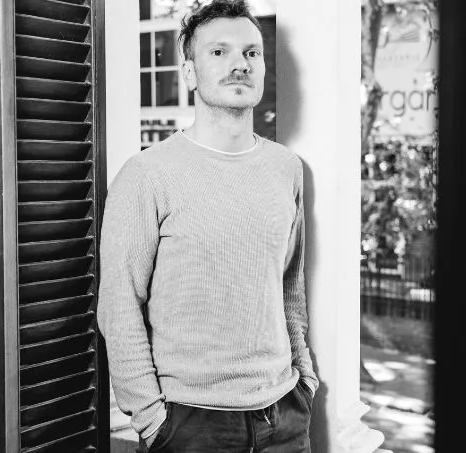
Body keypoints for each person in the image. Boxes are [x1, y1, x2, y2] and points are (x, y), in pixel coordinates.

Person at [97, 1, 318, 451]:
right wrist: (151, 419)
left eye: (251, 53)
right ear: (190, 73)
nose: (240, 64)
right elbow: (119, 306)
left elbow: (289, 285)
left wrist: (304, 378)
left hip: (285, 417)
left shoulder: (286, 168)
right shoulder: (146, 175)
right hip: (189, 424)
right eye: (219, 52)